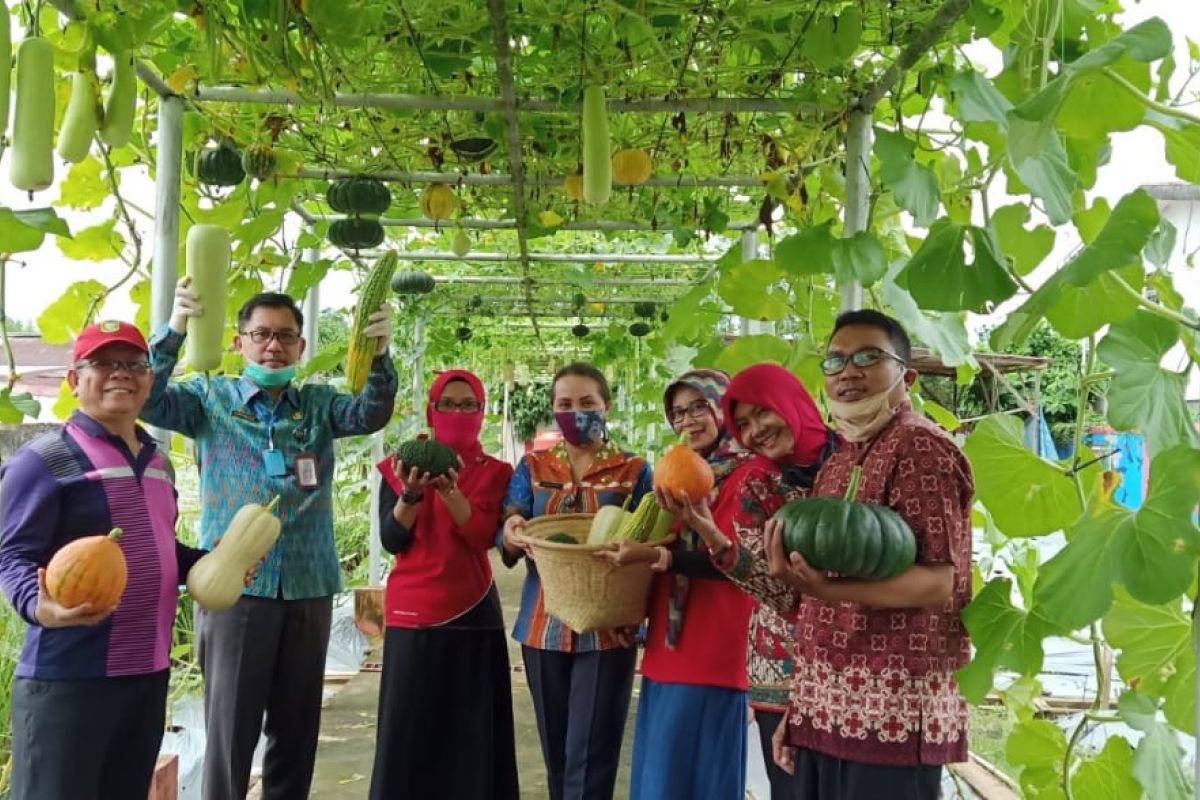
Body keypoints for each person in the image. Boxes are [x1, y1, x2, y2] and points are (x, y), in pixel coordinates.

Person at [140, 281, 397, 800]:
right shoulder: (208, 400)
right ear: (240, 343)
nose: (273, 345)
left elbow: (371, 412)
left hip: (307, 586)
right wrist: (173, 331)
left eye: (285, 336)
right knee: (231, 729)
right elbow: (149, 400)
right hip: (236, 586)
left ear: (301, 346)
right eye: (261, 335)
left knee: (297, 728)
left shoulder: (321, 406)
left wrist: (381, 355)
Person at [0, 321, 243, 799]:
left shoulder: (158, 461)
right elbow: (13, 553)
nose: (121, 374)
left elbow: (159, 548)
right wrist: (40, 606)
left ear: (150, 381)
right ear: (75, 379)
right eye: (104, 364)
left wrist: (214, 562)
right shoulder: (44, 459)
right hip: (70, 676)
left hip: (146, 677)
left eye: (134, 365)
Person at [764, 310, 974, 800]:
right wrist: (802, 710)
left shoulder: (922, 448)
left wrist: (826, 589)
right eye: (835, 361)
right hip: (827, 709)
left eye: (868, 357)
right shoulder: (840, 458)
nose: (848, 371)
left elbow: (939, 582)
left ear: (908, 374)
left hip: (892, 712)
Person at [658, 362, 836, 800]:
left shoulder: (855, 463)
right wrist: (713, 537)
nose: (755, 430)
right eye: (744, 424)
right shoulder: (757, 482)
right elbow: (770, 586)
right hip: (778, 664)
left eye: (762, 413)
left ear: (790, 402)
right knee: (792, 789)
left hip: (853, 663)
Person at [596, 369, 770, 799]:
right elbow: (659, 551)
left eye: (698, 407)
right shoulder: (674, 475)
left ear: (723, 408)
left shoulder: (750, 475)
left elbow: (731, 560)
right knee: (661, 775)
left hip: (717, 647)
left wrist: (658, 556)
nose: (687, 420)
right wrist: (632, 616)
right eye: (677, 412)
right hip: (667, 645)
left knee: (700, 778)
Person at [497, 362, 653, 800]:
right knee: (558, 751)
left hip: (610, 626)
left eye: (587, 403)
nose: (576, 411)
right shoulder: (532, 464)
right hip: (541, 625)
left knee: (594, 753)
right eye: (564, 404)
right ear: (552, 409)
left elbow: (654, 538)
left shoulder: (635, 470)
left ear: (607, 406)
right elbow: (512, 518)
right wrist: (510, 530)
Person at [368, 369, 518, 800]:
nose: (457, 412)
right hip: (412, 614)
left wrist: (451, 494)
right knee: (408, 732)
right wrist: (412, 494)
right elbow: (394, 540)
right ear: (432, 410)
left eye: (467, 404)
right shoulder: (401, 464)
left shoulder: (496, 472)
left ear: (482, 412)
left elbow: (481, 540)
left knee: (471, 737)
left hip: (473, 612)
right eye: (447, 404)